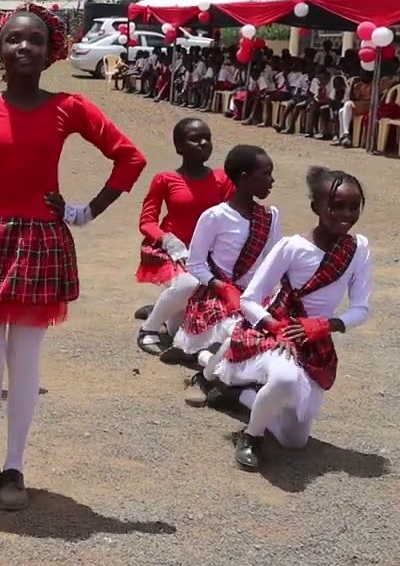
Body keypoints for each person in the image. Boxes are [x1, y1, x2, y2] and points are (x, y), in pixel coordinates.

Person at [0, 3, 146, 512]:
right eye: (13, 39)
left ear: (50, 51)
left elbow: (130, 157)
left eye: (34, 41)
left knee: (26, 363)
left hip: (41, 244)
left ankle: (15, 466)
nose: (23, 48)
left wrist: (86, 211)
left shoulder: (70, 108)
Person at [202, 167, 371, 470]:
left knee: (295, 441)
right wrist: (278, 329)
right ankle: (251, 436)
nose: (345, 214)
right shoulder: (292, 247)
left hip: (314, 340)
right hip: (275, 330)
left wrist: (325, 325)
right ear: (316, 207)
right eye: (335, 206)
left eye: (353, 206)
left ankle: (241, 395)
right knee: (284, 378)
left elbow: (361, 309)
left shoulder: (358, 249)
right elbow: (250, 299)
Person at [163, 145, 281, 368]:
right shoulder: (215, 216)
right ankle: (206, 363)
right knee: (237, 334)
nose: (272, 180)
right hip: (218, 295)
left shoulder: (270, 216)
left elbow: (272, 261)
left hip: (253, 295)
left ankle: (204, 359)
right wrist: (222, 287)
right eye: (265, 174)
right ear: (245, 178)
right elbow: (195, 263)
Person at [133, 118, 234, 355]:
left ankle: (164, 311)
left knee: (182, 329)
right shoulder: (165, 180)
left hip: (206, 254)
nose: (203, 143)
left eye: (207, 138)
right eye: (195, 138)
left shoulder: (222, 179)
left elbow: (232, 216)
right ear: (179, 146)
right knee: (189, 283)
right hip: (170, 251)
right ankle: (148, 329)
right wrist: (169, 241)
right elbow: (147, 222)